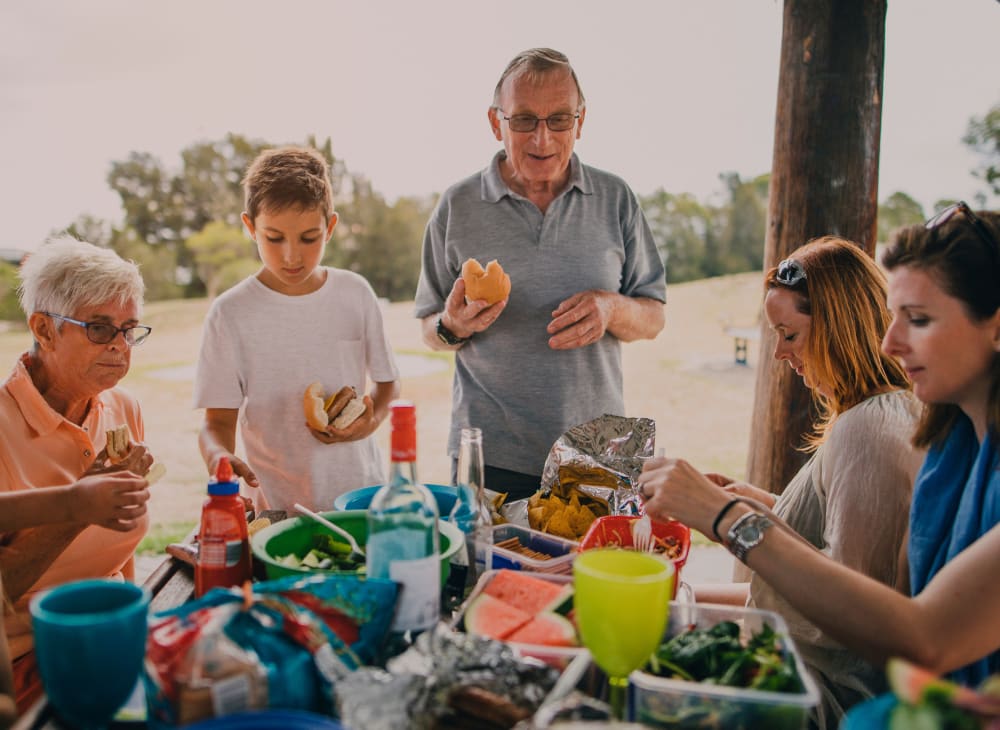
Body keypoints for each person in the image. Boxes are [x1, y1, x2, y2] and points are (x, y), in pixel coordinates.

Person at [640, 204, 1000, 727]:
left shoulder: (880, 427)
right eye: (894, 316)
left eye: (918, 320)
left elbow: (906, 634)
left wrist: (726, 516)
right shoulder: (953, 448)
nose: (889, 342)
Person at [686, 236, 923, 727]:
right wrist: (769, 507)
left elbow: (845, 612)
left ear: (839, 326)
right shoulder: (870, 416)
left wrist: (729, 520)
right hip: (785, 669)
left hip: (811, 698)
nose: (779, 354)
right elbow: (832, 549)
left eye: (789, 334)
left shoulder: (871, 427)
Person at [414, 48, 666, 499]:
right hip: (490, 455)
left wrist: (610, 308)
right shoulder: (457, 205)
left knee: (592, 572)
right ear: (497, 123)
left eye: (559, 120)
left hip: (602, 454)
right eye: (524, 120)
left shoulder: (617, 197)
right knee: (489, 571)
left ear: (581, 122)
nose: (542, 139)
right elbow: (427, 328)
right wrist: (451, 327)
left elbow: (653, 317)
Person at [194, 146, 401, 512]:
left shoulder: (355, 293)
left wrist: (370, 423)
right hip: (278, 507)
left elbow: (387, 385)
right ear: (249, 227)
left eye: (309, 238)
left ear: (331, 227)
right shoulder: (229, 314)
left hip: (362, 499)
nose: (292, 256)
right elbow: (217, 422)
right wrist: (218, 458)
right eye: (274, 238)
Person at [0, 236, 156, 713]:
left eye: (129, 330)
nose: (119, 346)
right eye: (99, 328)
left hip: (113, 630)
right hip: (24, 659)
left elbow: (119, 556)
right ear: (44, 330)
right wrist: (76, 511)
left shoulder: (122, 408)